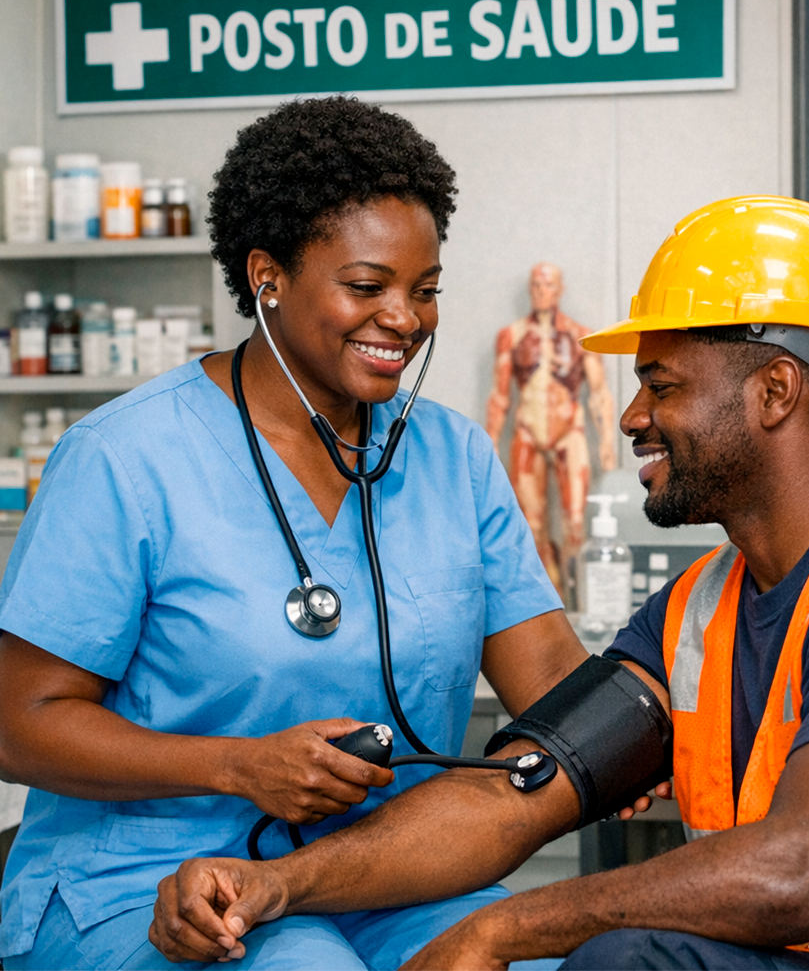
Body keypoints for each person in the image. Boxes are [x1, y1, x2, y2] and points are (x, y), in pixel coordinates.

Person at [149, 197, 809, 970]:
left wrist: (505, 929)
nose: (633, 417)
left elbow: (807, 875)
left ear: (776, 390)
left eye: (661, 384)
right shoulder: (699, 608)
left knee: (626, 960)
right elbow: (510, 798)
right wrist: (276, 884)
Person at [0, 97, 587, 970]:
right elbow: (19, 723)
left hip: (386, 878)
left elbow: (558, 693)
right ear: (266, 275)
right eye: (367, 286)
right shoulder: (125, 459)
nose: (406, 319)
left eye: (425, 292)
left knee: (549, 960)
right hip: (147, 882)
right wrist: (236, 767)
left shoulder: (453, 458)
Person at [486, 263, 617, 592]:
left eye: (548, 286)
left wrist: (606, 441)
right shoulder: (512, 336)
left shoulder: (580, 335)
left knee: (575, 521)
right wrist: (488, 444)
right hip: (528, 432)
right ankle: (549, 601)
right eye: (536, 285)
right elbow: (500, 396)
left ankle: (580, 599)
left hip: (569, 432)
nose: (541, 292)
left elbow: (599, 392)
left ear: (559, 290)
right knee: (531, 525)